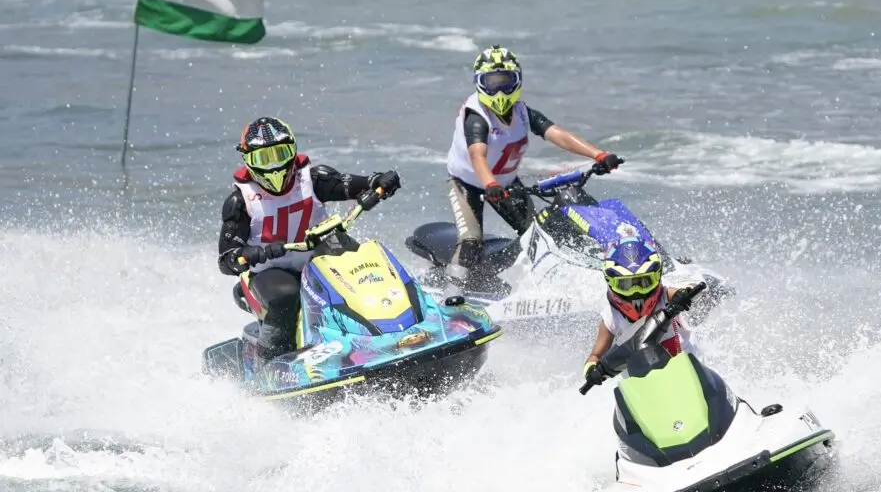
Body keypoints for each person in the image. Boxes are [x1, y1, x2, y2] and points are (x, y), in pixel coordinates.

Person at [217, 116, 401, 363]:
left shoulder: (313, 180)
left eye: (281, 153)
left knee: (358, 257)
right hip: (269, 272)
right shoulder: (240, 201)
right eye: (263, 159)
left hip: (318, 259)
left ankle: (391, 325)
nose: (274, 166)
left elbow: (353, 185)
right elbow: (226, 259)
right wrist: (246, 255)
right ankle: (270, 365)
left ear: (293, 150)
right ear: (248, 161)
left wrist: (377, 182)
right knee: (285, 297)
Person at [445, 44, 625, 291]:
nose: (499, 90)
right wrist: (490, 184)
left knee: (537, 233)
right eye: (492, 82)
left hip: (504, 184)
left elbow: (556, 133)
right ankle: (451, 296)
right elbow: (478, 155)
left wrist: (598, 154)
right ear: (479, 83)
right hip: (468, 184)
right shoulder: (477, 115)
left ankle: (545, 285)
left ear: (517, 81)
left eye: (506, 82)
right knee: (470, 240)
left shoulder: (521, 111)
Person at [582, 237, 700, 387]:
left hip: (689, 369)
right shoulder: (611, 318)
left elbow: (692, 293)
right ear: (611, 282)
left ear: (657, 276)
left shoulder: (666, 295)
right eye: (625, 285)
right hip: (642, 388)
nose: (636, 293)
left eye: (644, 282)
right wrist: (591, 370)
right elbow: (595, 356)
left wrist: (683, 296)